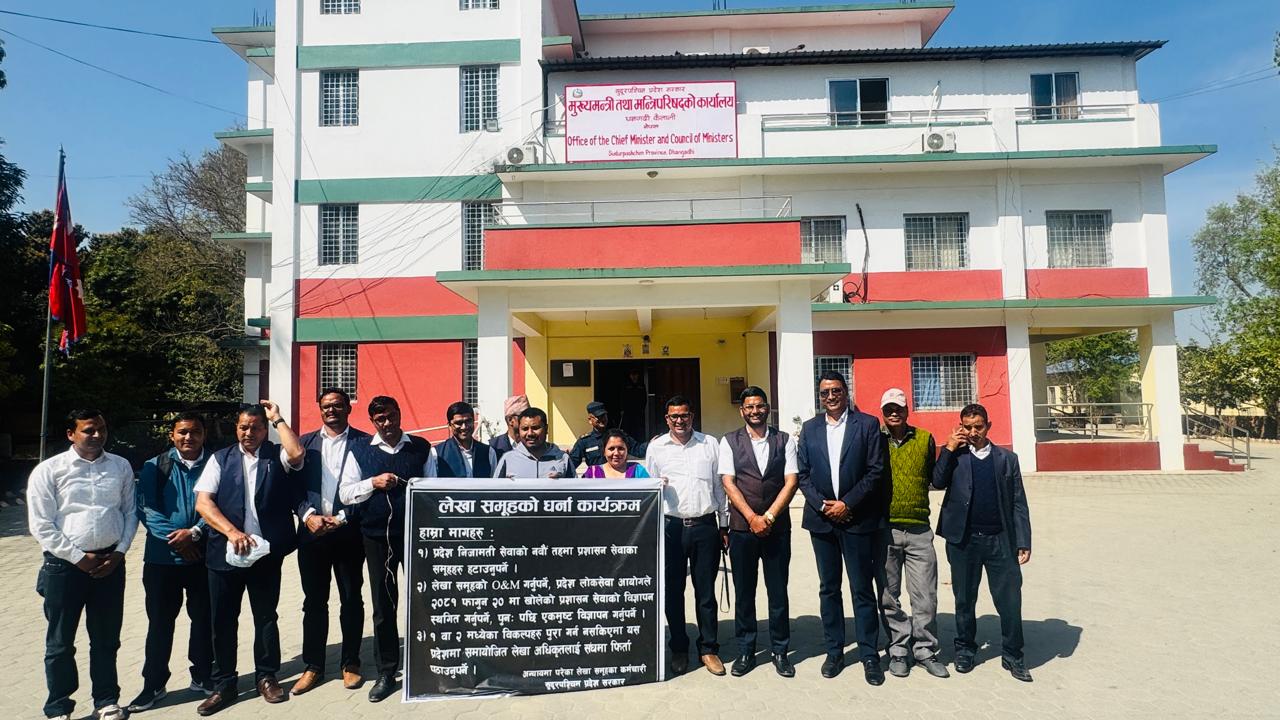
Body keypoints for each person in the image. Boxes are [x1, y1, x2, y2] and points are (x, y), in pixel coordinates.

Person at [194, 401, 305, 715]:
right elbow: (204, 503)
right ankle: (225, 683)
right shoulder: (220, 459)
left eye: (256, 427)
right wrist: (232, 532)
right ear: (236, 428)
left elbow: (297, 453)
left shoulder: (275, 456)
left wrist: (278, 418)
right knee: (222, 621)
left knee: (266, 618)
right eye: (243, 427)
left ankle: (266, 676)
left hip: (265, 555)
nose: (249, 433)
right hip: (224, 554)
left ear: (264, 429)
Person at [29, 409, 137, 720]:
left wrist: (120, 553)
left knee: (106, 639)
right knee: (60, 642)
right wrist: (78, 558)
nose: (97, 435)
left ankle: (106, 700)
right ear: (71, 434)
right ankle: (58, 706)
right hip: (64, 567)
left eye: (101, 429)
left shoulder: (120, 466)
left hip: (109, 564)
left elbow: (130, 512)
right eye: (89, 430)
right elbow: (41, 525)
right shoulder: (49, 470)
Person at [796, 371, 888, 685]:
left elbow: (875, 470)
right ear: (819, 397)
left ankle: (869, 654)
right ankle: (834, 650)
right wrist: (823, 505)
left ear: (845, 392)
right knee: (829, 588)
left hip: (857, 519)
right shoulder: (810, 429)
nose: (831, 397)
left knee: (862, 588)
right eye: (825, 393)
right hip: (822, 522)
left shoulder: (867, 424)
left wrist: (847, 503)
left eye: (836, 391)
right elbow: (803, 474)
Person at [340, 395, 433, 703]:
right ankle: (387, 671)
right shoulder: (360, 450)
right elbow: (346, 493)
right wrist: (373, 483)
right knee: (383, 605)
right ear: (373, 422)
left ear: (399, 414)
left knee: (424, 600)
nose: (388, 423)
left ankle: (428, 664)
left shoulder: (421, 447)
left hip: (416, 536)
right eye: (380, 419)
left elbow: (433, 487)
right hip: (377, 537)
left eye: (392, 416)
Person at [932, 403, 1033, 682]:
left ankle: (1013, 655)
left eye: (978, 426)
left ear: (988, 426)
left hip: (1000, 540)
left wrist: (1023, 540)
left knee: (1009, 600)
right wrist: (949, 448)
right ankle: (965, 649)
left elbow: (1018, 502)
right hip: (963, 541)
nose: (973, 432)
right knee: (965, 599)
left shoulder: (1006, 459)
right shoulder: (956, 456)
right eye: (967, 427)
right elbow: (937, 481)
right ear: (961, 427)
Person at [127, 412, 214, 713]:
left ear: (204, 435)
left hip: (203, 557)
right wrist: (179, 541)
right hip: (162, 560)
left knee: (204, 620)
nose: (189, 437)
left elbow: (222, 504)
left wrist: (195, 533)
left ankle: (203, 675)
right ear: (172, 435)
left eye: (195, 432)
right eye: (182, 432)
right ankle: (153, 685)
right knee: (160, 624)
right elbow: (146, 509)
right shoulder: (156, 466)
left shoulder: (216, 464)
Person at [291, 389, 371, 696]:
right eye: (326, 406)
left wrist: (342, 518)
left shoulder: (364, 443)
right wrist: (307, 515)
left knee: (351, 599)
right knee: (313, 602)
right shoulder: (305, 444)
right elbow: (292, 487)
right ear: (319, 409)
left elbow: (367, 490)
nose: (332, 410)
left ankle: (351, 663)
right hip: (312, 535)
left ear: (348, 408)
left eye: (338, 405)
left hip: (348, 534)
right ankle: (313, 666)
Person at [718, 386, 798, 678]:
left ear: (767, 408)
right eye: (749, 407)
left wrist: (769, 517)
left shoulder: (784, 439)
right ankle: (745, 650)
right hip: (742, 529)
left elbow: (791, 481)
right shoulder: (729, 441)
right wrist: (752, 517)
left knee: (778, 593)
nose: (755, 411)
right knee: (744, 593)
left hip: (777, 529)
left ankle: (780, 650)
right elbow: (728, 482)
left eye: (760, 406)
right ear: (742, 411)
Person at [644, 396, 725, 677]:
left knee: (706, 592)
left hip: (705, 526)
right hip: (671, 528)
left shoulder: (709, 444)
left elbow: (719, 487)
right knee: (672, 591)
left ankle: (709, 648)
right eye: (674, 416)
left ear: (692, 416)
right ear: (667, 419)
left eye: (684, 415)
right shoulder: (656, 448)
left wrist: (724, 525)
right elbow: (649, 487)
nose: (680, 421)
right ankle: (679, 647)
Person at [877, 388, 948, 680]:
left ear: (907, 410)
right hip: (886, 531)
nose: (894, 413)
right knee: (888, 596)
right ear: (882, 412)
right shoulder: (875, 439)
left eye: (899, 408)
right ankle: (897, 650)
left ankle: (925, 650)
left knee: (925, 596)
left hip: (919, 530)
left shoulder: (924, 439)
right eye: (889, 409)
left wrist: (951, 450)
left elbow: (934, 477)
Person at [491, 407, 575, 479]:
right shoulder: (508, 459)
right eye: (525, 429)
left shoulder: (562, 458)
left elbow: (575, 489)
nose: (530, 433)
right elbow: (494, 490)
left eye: (535, 428)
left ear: (546, 429)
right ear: (519, 430)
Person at [569, 401, 645, 471]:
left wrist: (651, 444)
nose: (602, 419)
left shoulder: (618, 436)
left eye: (604, 416)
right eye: (598, 417)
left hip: (618, 476)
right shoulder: (584, 441)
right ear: (590, 420)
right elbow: (571, 465)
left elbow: (638, 451)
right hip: (596, 478)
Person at [430, 401, 497, 478]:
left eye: (468, 421)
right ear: (449, 426)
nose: (464, 427)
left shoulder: (489, 453)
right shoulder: (436, 455)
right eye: (459, 423)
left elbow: (494, 483)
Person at [582, 429, 651, 479]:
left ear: (627, 450)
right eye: (611, 449)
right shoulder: (592, 473)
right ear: (604, 451)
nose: (616, 453)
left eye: (621, 448)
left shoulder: (638, 471)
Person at [489, 394, 528, 459]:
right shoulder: (494, 447)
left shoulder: (534, 443)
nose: (528, 420)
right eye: (523, 416)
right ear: (510, 420)